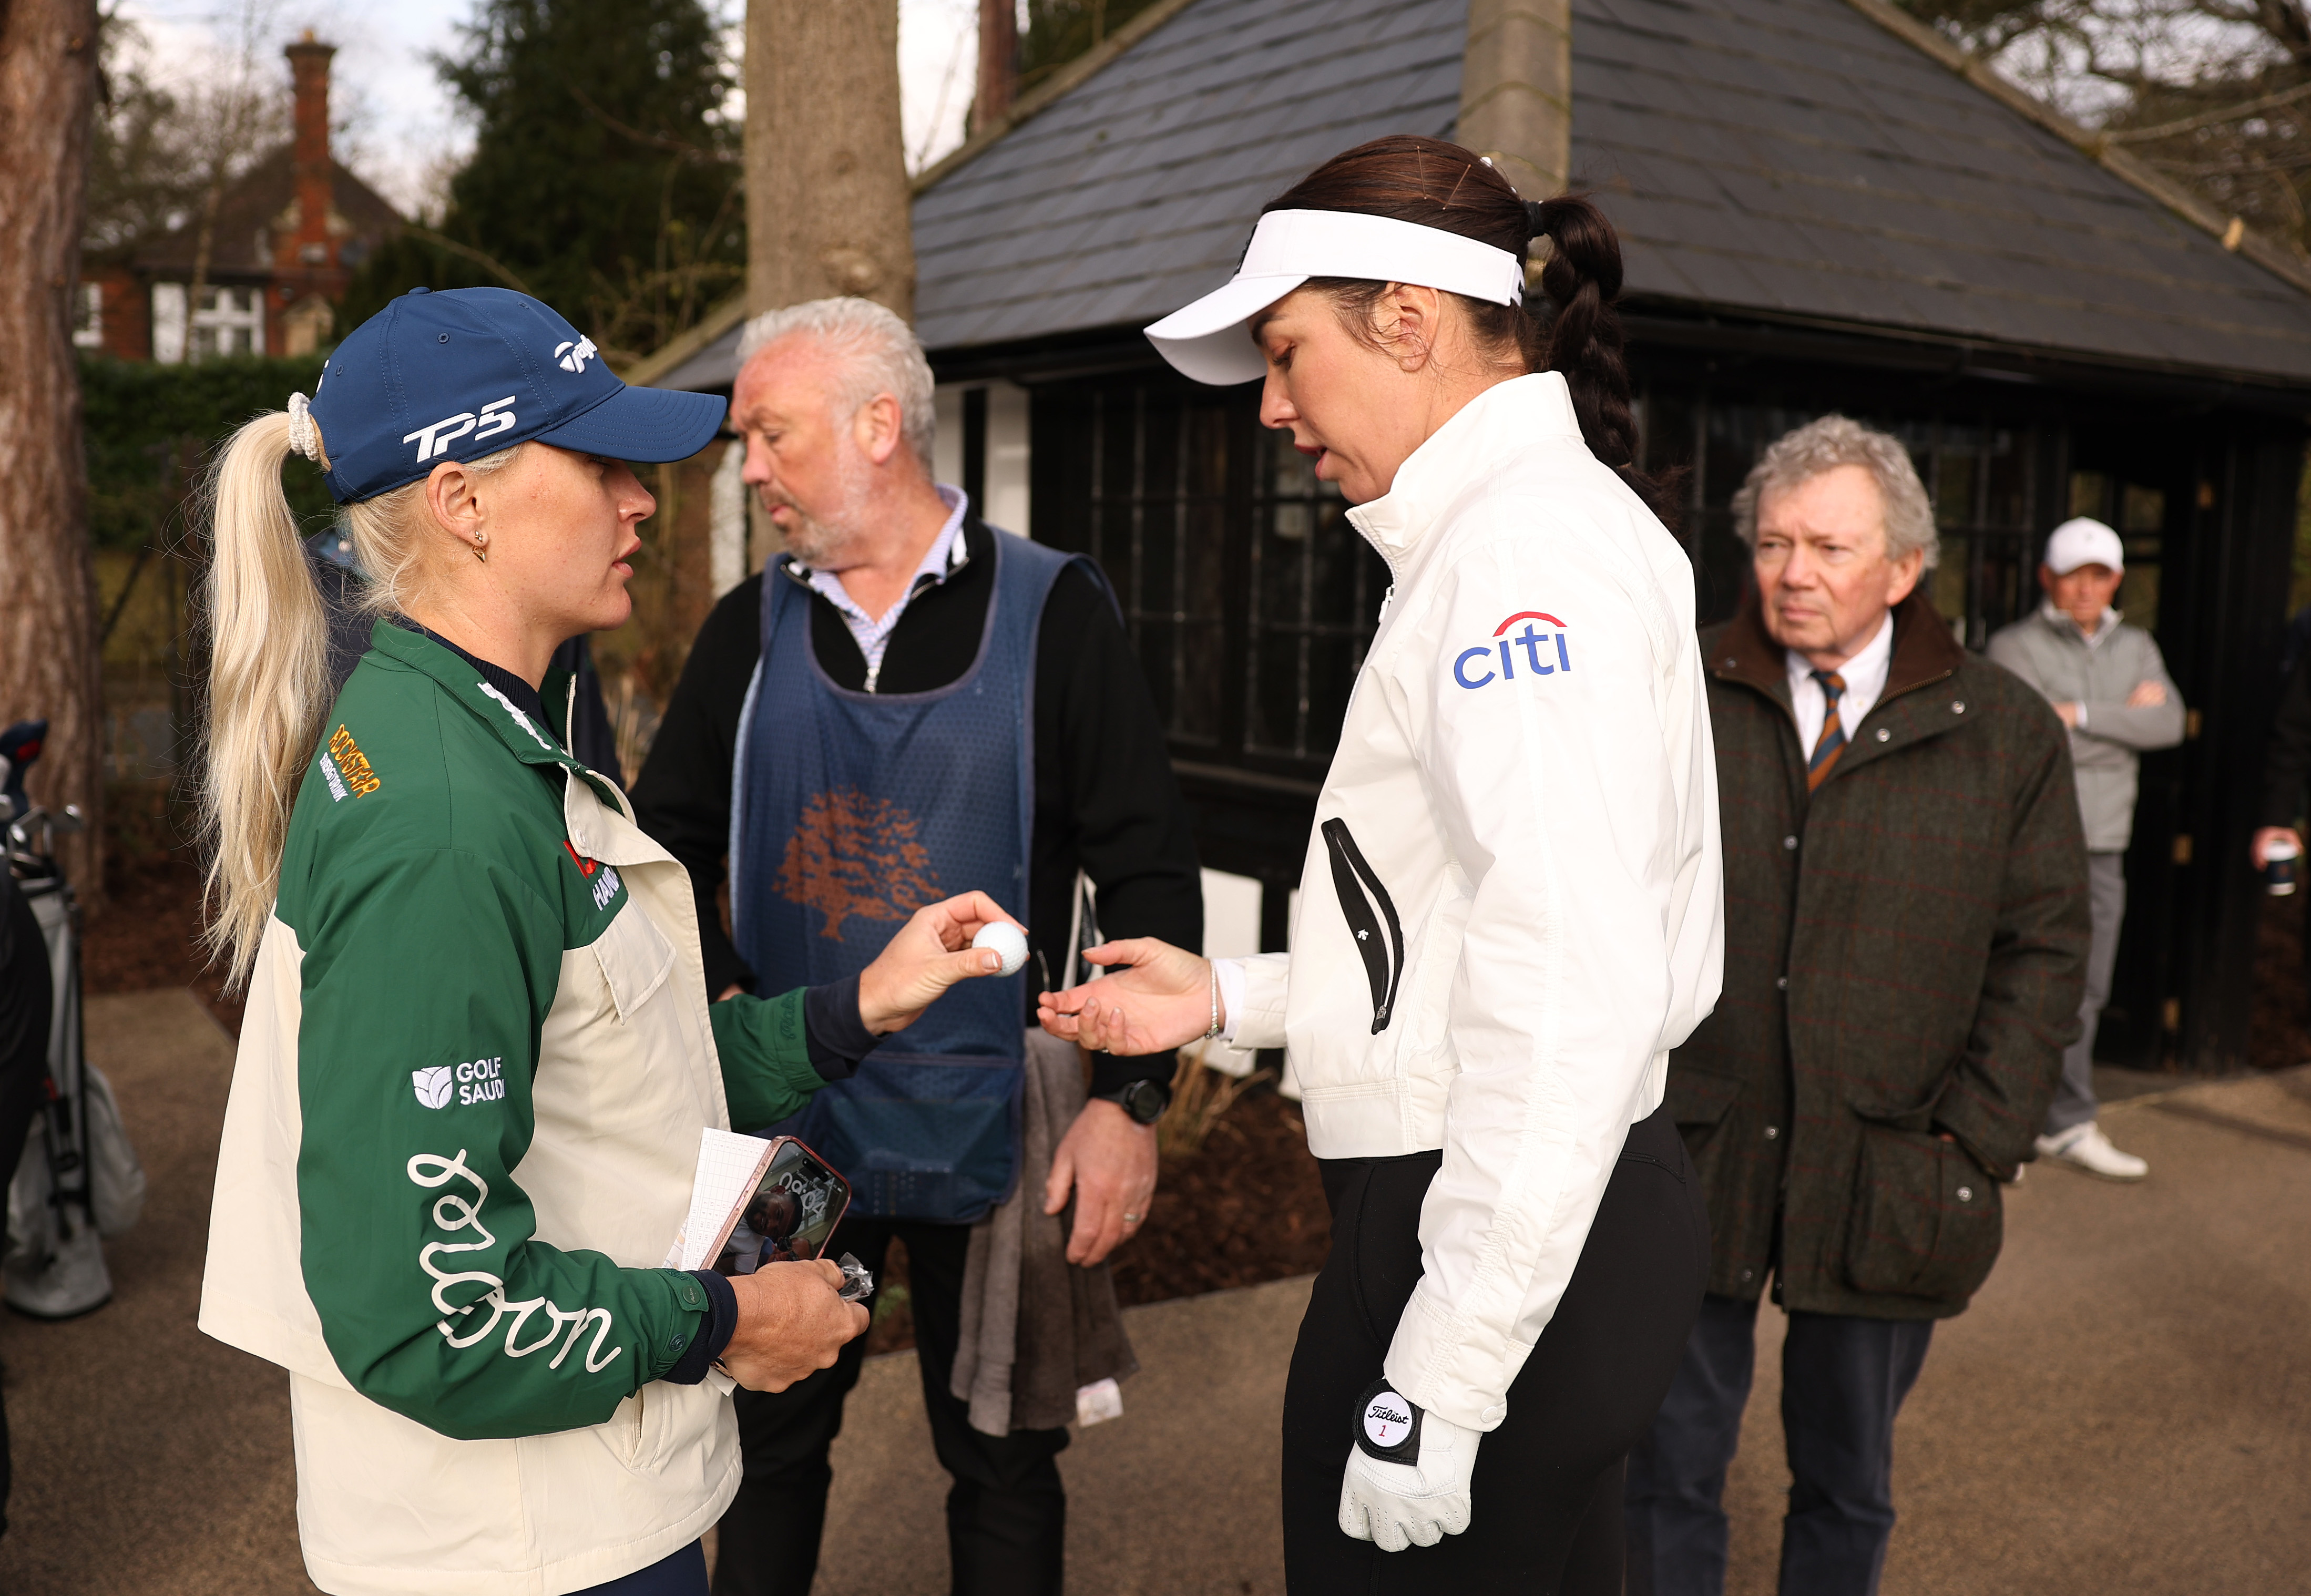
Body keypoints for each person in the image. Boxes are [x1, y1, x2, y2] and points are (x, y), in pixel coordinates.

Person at [192, 286, 1018, 1596]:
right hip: (524, 1543)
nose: (643, 501)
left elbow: (605, 1069)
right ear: (463, 500)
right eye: (599, 464)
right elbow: (428, 1312)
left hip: (559, 1514)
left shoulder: (471, 730)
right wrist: (730, 1319)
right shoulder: (447, 819)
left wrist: (856, 1005)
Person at [1035, 135, 1723, 1594]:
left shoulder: (1518, 556)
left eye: (1286, 352)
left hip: (1483, 1222)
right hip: (1537, 1208)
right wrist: (1224, 998)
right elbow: (1472, 936)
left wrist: (1445, 1377)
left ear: (1408, 320)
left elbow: (1566, 985)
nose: (1272, 405)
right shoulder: (1514, 534)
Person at [629, 296, 1201, 1596]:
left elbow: (1149, 868)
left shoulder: (1053, 611)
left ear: (877, 425)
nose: (748, 468)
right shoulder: (748, 630)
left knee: (1003, 1454)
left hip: (996, 1115)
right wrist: (724, 1002)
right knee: (767, 1445)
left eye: (769, 434)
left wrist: (1128, 1102)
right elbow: (657, 852)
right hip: (793, 1122)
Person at [1623, 416, 2088, 1596]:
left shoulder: (2004, 731)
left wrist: (1973, 1141)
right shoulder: (1674, 688)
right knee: (1662, 1473)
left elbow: (2043, 950)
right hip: (1692, 1147)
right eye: (1773, 543)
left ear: (1903, 566)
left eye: (1829, 548)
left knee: (1846, 1484)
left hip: (1892, 1167)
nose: (1794, 573)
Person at [1986, 517, 2180, 1181]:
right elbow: (2031, 734)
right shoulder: (2013, 645)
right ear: (2048, 577)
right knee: (2008, 980)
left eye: (2100, 575)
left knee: (2088, 987)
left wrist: (2082, 715)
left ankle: (2064, 1122)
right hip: (2026, 840)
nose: (2087, 588)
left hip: (2104, 844)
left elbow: (2168, 724)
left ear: (2117, 580)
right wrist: (2123, 723)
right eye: (2074, 575)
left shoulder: (2138, 644)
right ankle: (2002, 1120)